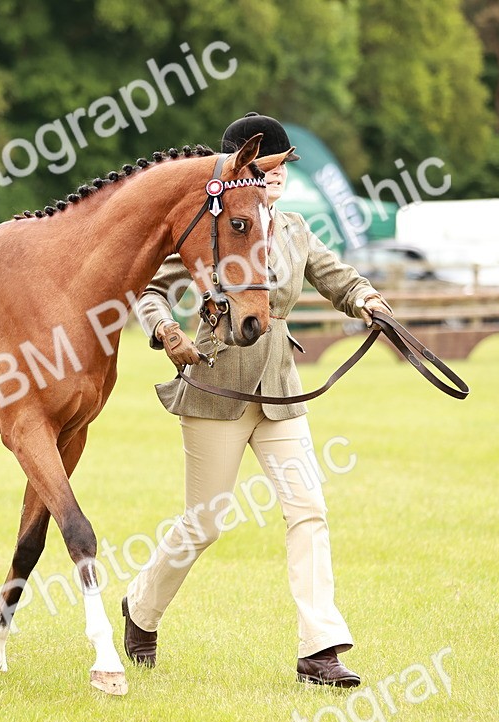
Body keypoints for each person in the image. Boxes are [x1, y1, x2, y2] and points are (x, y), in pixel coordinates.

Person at [121, 113, 392, 687]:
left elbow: (334, 276)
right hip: (217, 386)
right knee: (204, 523)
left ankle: (320, 650)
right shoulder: (209, 224)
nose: (274, 179)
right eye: (263, 169)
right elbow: (148, 288)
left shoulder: (293, 229)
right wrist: (166, 331)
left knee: (308, 510)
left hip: (281, 391)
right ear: (237, 171)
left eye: (280, 168)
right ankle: (140, 609)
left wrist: (368, 300)